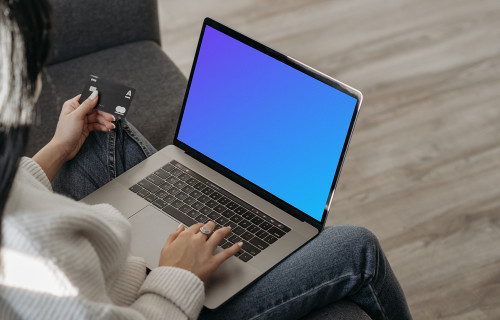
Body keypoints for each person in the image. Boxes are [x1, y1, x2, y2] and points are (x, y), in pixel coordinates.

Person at [0, 0, 413, 319]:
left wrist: (56, 149)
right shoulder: (30, 264)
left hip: (112, 265)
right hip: (159, 298)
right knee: (359, 247)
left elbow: (12, 194)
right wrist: (179, 275)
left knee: (100, 129)